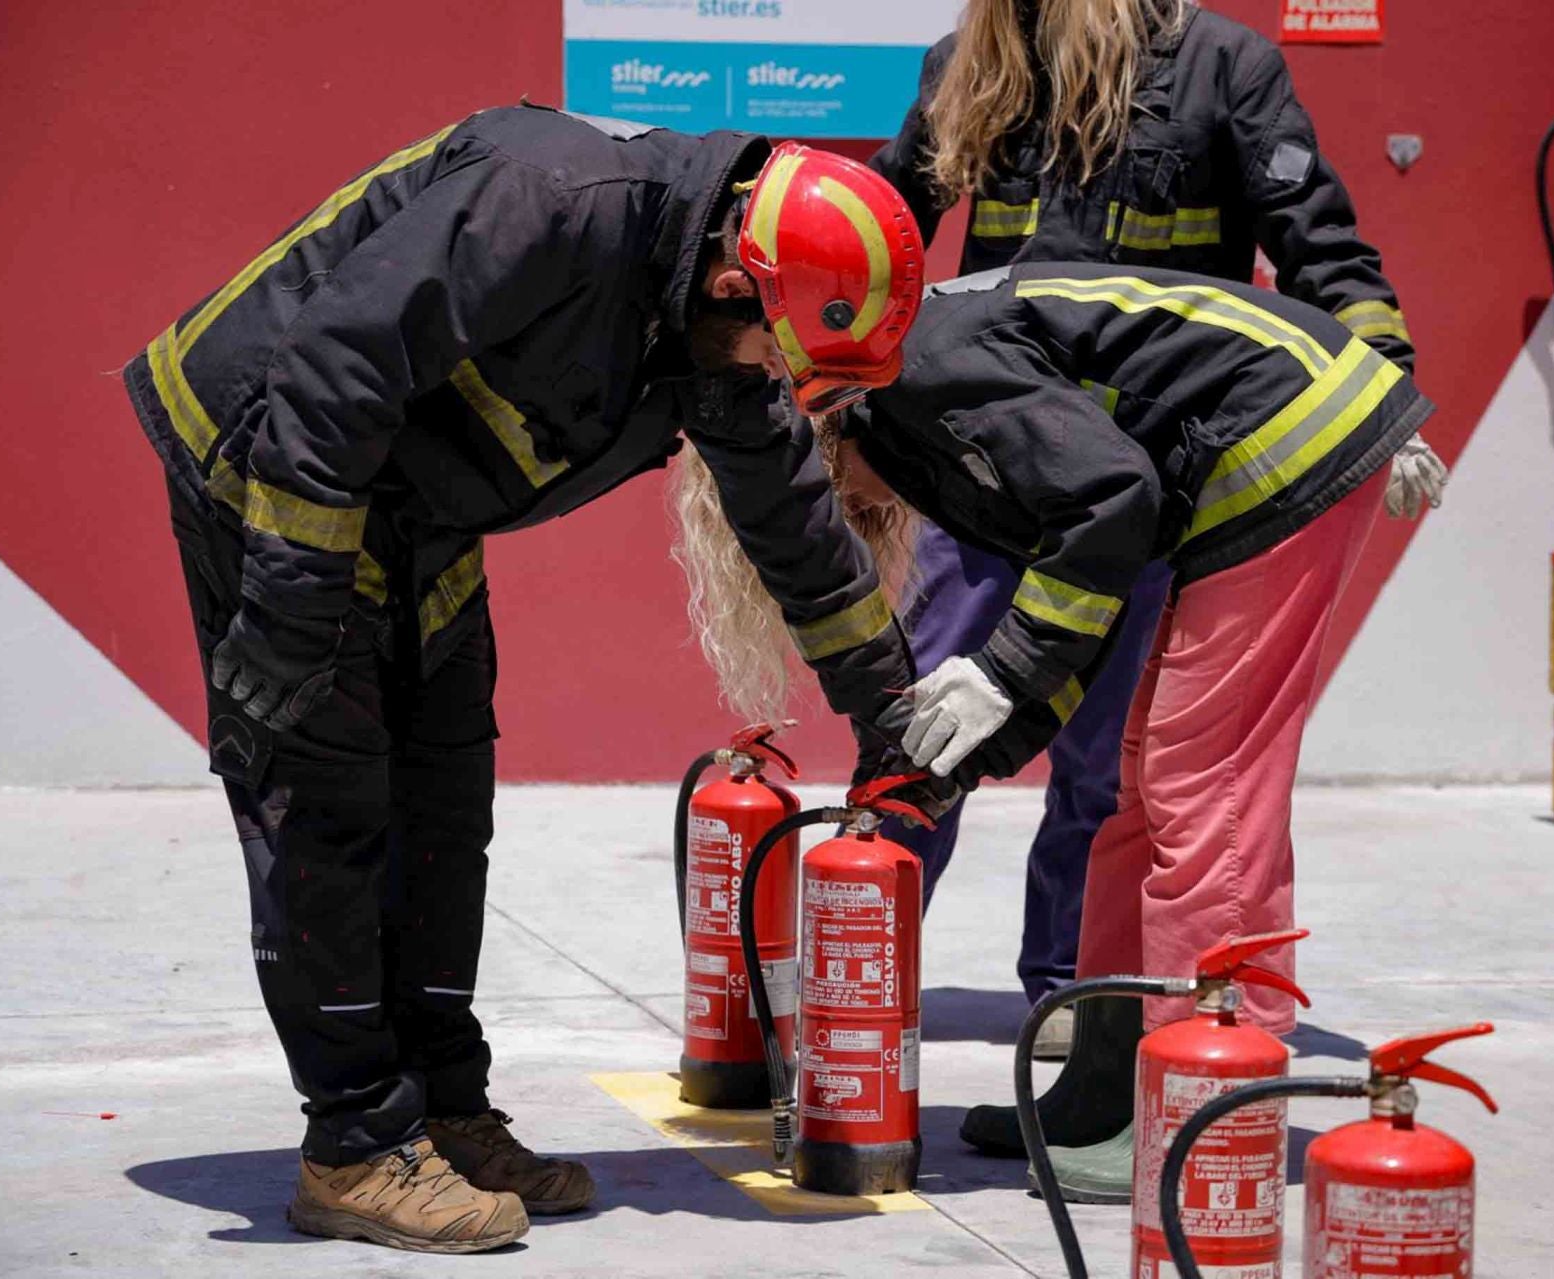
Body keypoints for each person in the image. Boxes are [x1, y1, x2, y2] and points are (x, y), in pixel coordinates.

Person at [125, 106, 925, 1252]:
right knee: (333, 798)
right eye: (779, 357)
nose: (777, 385)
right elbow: (331, 375)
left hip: (412, 499)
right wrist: (289, 620)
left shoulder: (702, 302)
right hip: (277, 463)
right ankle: (354, 1144)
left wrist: (889, 711)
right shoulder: (549, 200)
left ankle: (442, 1111)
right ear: (741, 288)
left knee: (449, 796)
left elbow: (790, 515)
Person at [867, 0, 1444, 1088]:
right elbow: (878, 230)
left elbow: (1319, 240)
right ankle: (861, 989)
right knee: (926, 724)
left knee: (1111, 770)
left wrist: (1389, 390)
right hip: (997, 453)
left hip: (1157, 476)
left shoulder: (1225, 65)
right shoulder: (970, 63)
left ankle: (1077, 1017)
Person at [832, 261, 1435, 1200]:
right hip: (1228, 457)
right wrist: (985, 743)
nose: (844, 521)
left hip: (1287, 435)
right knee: (1133, 784)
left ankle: (1210, 1105)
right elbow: (1086, 587)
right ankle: (1110, 1081)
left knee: (1208, 784)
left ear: (821, 435)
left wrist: (1000, 675)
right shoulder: (917, 421)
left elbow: (1112, 500)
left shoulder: (925, 384)